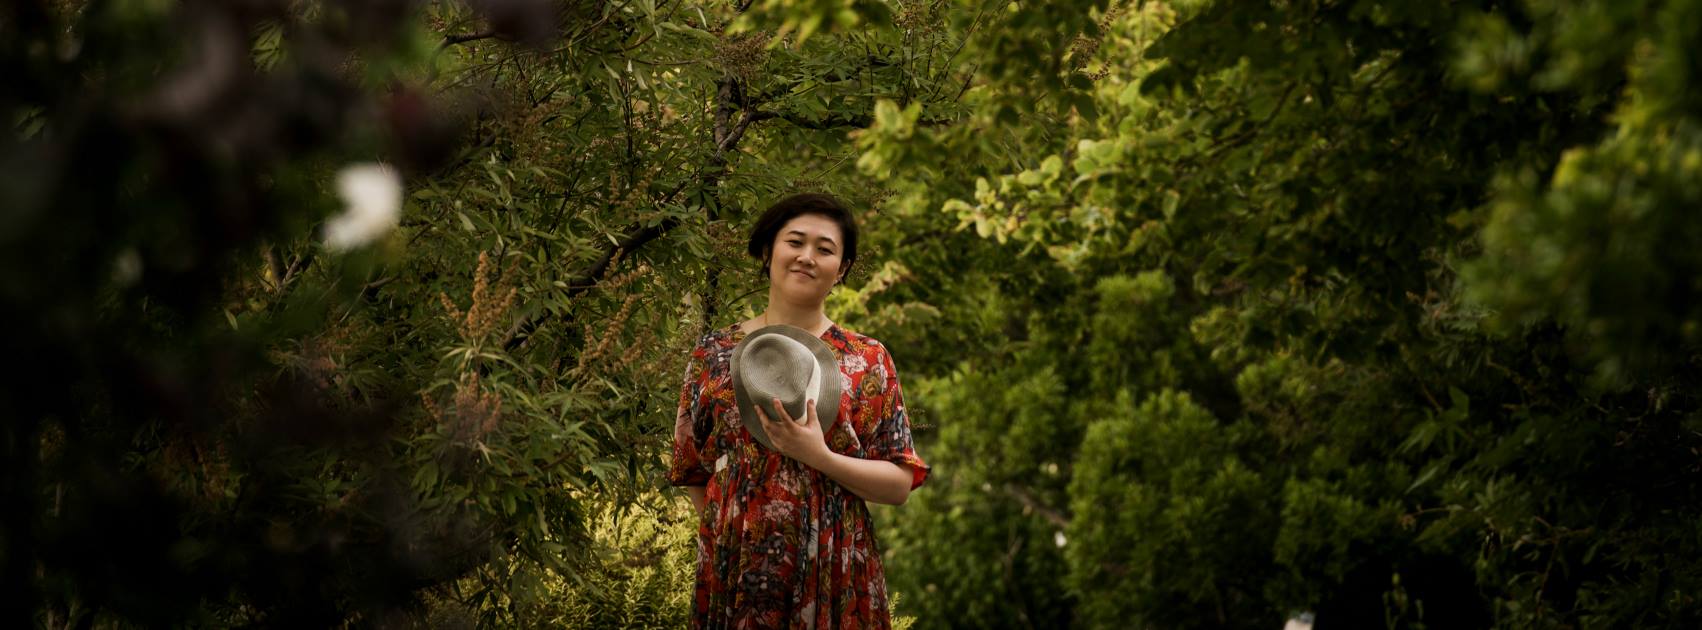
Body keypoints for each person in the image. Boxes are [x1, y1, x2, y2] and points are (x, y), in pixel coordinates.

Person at [668, 192, 931, 628]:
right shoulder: (712, 354)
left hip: (834, 562)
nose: (807, 257)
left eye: (825, 249)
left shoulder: (867, 359)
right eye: (795, 242)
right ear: (768, 251)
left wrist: (819, 457)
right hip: (736, 565)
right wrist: (733, 533)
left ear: (841, 269)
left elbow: (899, 484)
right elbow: (692, 470)